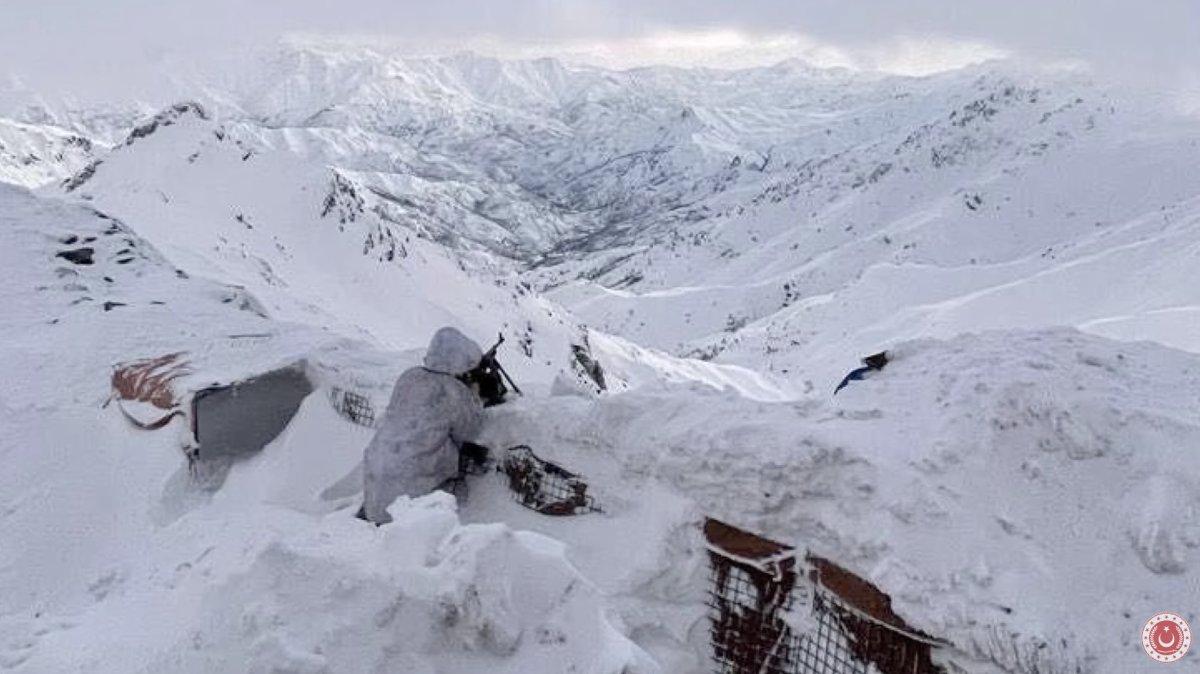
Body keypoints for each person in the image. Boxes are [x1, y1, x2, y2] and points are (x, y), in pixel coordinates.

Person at [360, 327, 489, 524]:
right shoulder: (453, 391)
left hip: (376, 481)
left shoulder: (409, 376)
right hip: (408, 498)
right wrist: (475, 397)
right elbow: (469, 431)